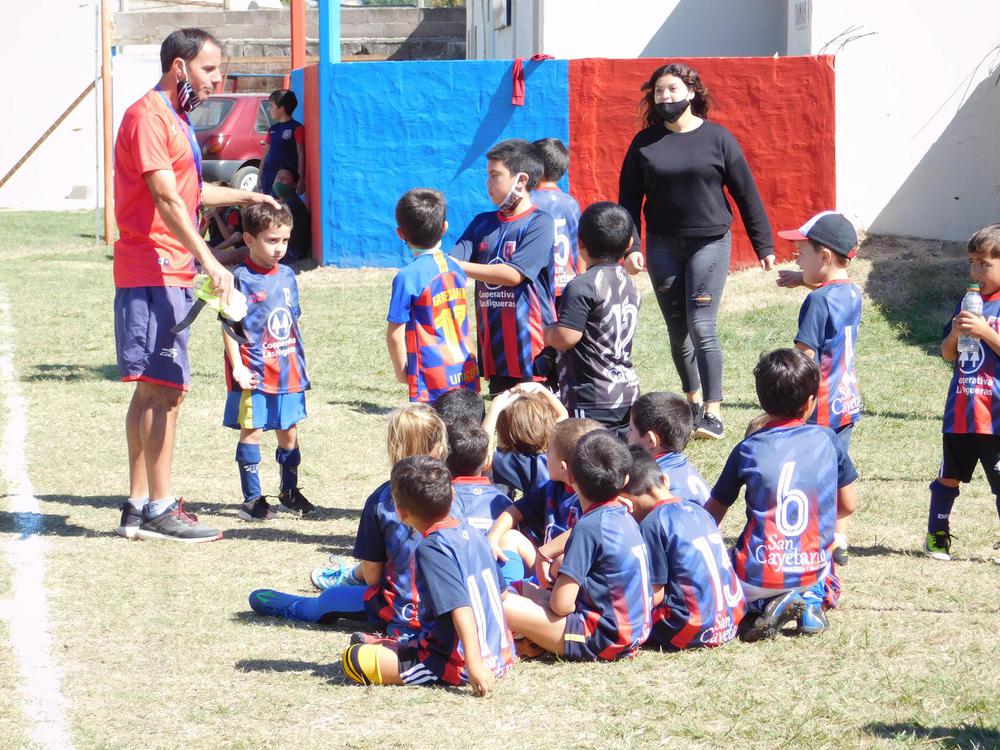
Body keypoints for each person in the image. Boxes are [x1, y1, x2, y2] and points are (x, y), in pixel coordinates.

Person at [113, 27, 278, 543]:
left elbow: (190, 190)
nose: (217, 80)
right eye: (210, 70)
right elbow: (165, 199)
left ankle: (138, 506)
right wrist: (211, 260)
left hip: (168, 270)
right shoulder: (147, 115)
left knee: (152, 392)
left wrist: (251, 200)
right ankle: (162, 507)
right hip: (155, 270)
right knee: (164, 392)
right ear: (179, 67)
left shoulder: (176, 119)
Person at [618, 62, 775, 440]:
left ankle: (713, 413)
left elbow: (745, 194)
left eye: (672, 90)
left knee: (702, 325)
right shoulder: (644, 143)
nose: (665, 97)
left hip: (709, 242)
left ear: (691, 93)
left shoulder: (718, 139)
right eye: (659, 92)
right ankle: (691, 402)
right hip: (661, 246)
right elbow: (627, 200)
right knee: (678, 332)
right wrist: (632, 246)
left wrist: (763, 244)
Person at [249, 404, 448, 636]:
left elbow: (373, 577)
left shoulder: (382, 500)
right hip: (453, 607)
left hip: (401, 610)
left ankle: (297, 605)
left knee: (329, 600)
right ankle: (349, 578)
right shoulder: (455, 494)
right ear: (439, 446)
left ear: (394, 446)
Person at [704, 349, 857, 639]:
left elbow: (713, 512)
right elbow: (848, 504)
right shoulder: (828, 440)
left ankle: (763, 603)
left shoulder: (748, 448)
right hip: (811, 569)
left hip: (758, 571)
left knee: (727, 573)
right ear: (811, 403)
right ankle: (811, 604)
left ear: (761, 401)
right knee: (829, 573)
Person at [342, 455, 515, 696]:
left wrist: (473, 664)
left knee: (354, 660)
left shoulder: (431, 548)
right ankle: (397, 645)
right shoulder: (474, 533)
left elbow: (461, 608)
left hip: (456, 662)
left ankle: (401, 649)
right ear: (452, 496)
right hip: (503, 654)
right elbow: (502, 593)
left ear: (401, 513)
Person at [501, 430, 652, 660]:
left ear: (571, 478)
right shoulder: (624, 515)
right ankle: (528, 636)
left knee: (496, 603)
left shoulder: (588, 526)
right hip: (632, 632)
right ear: (625, 480)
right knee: (520, 589)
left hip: (601, 638)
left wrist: (549, 599)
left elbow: (562, 605)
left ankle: (523, 643)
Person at [776, 211, 862, 565]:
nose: (797, 257)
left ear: (824, 257)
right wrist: (803, 278)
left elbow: (805, 357)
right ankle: (839, 538)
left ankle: (813, 537)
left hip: (819, 406)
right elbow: (831, 289)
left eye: (802, 253)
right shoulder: (852, 292)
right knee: (840, 468)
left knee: (813, 475)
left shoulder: (817, 302)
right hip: (846, 400)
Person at [222, 203, 314, 520]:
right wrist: (237, 367)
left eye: (285, 241)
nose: (279, 248)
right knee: (253, 431)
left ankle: (289, 492)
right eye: (272, 241)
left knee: (288, 432)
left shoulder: (289, 275)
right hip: (255, 372)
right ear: (248, 239)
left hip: (287, 370)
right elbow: (229, 327)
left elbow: (291, 322)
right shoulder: (240, 279)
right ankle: (252, 498)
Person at [451, 139, 556, 394]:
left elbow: (513, 274)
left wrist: (457, 266)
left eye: (495, 175)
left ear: (521, 180)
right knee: (504, 428)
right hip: (495, 351)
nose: (488, 184)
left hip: (532, 352)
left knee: (536, 428)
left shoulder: (540, 223)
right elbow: (451, 262)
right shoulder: (481, 223)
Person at [923, 224, 1000, 561]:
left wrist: (984, 331)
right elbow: (947, 353)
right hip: (961, 409)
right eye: (972, 262)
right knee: (949, 477)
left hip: (996, 416)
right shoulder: (967, 301)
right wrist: (956, 334)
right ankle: (936, 536)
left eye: (985, 263)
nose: (976, 270)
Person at [623, 447, 745, 650]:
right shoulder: (700, 511)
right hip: (732, 621)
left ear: (627, 503)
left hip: (688, 629)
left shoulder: (652, 523)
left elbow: (656, 594)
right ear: (665, 480)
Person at [544, 201, 641, 435]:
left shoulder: (582, 286)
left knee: (590, 458)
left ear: (579, 243)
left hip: (590, 395)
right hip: (626, 391)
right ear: (629, 244)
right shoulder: (630, 284)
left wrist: (548, 332)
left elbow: (567, 337)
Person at [387, 188, 478, 403]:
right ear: (445, 228)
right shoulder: (456, 267)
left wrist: (403, 373)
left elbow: (394, 334)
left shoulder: (407, 277)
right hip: (465, 369)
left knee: (432, 435)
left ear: (400, 233)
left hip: (432, 377)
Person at [485, 417, 601, 584]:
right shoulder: (553, 487)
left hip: (575, 577)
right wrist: (492, 538)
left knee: (562, 560)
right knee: (509, 537)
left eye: (549, 452)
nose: (545, 456)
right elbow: (515, 511)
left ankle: (517, 600)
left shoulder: (595, 497)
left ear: (562, 466)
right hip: (545, 567)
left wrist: (547, 552)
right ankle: (512, 587)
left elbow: (586, 532)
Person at [628, 391, 712, 506]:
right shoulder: (685, 468)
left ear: (650, 440)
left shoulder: (653, 484)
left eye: (631, 430)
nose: (628, 436)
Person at [482, 383, 566, 496]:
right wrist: (540, 388)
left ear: (506, 433)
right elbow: (563, 414)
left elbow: (483, 457)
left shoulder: (521, 463)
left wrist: (494, 410)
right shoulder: (553, 448)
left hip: (542, 512)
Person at [531, 137, 582, 298]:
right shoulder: (571, 203)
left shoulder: (528, 202)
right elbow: (580, 244)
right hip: (570, 284)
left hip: (540, 286)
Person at [258, 89, 305, 199]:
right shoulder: (273, 129)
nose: (269, 109)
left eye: (272, 106)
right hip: (268, 176)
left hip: (284, 180)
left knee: (282, 208)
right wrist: (259, 177)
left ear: (282, 108)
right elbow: (265, 155)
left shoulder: (297, 128)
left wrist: (301, 178)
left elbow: (301, 155)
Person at [271, 168, 311, 262]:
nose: (280, 180)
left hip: (293, 253)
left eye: (286, 178)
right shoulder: (284, 201)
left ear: (294, 185)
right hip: (289, 251)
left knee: (244, 252)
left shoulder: (291, 203)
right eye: (278, 177)